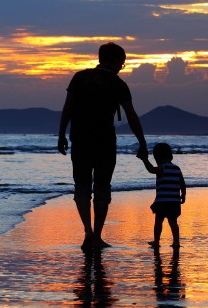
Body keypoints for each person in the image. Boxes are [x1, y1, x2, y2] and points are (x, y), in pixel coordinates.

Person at [58, 42, 148, 249]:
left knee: (81, 186)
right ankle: (97, 235)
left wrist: (61, 134)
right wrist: (142, 142)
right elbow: (131, 116)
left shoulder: (79, 77)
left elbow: (67, 109)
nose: (121, 68)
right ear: (114, 60)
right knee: (102, 187)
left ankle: (87, 232)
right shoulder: (117, 84)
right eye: (122, 64)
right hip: (105, 141)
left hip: (79, 139)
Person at [139, 142, 186, 248]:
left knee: (159, 221)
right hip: (174, 202)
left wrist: (144, 160)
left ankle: (156, 241)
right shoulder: (177, 168)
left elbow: (151, 169)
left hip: (162, 201)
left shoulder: (162, 168)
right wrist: (183, 194)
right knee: (173, 222)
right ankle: (176, 242)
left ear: (158, 157)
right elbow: (182, 183)